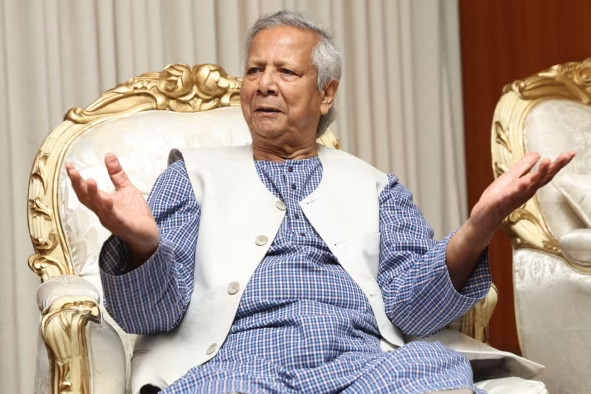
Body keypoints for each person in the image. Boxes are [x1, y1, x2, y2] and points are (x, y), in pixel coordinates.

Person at [66, 10, 574, 394]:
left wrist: (478, 225)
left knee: (435, 368)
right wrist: (142, 245)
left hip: (360, 368)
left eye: (285, 72)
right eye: (254, 70)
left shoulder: (378, 188)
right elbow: (148, 315)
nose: (264, 83)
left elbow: (414, 310)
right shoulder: (190, 178)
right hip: (239, 371)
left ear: (326, 94)